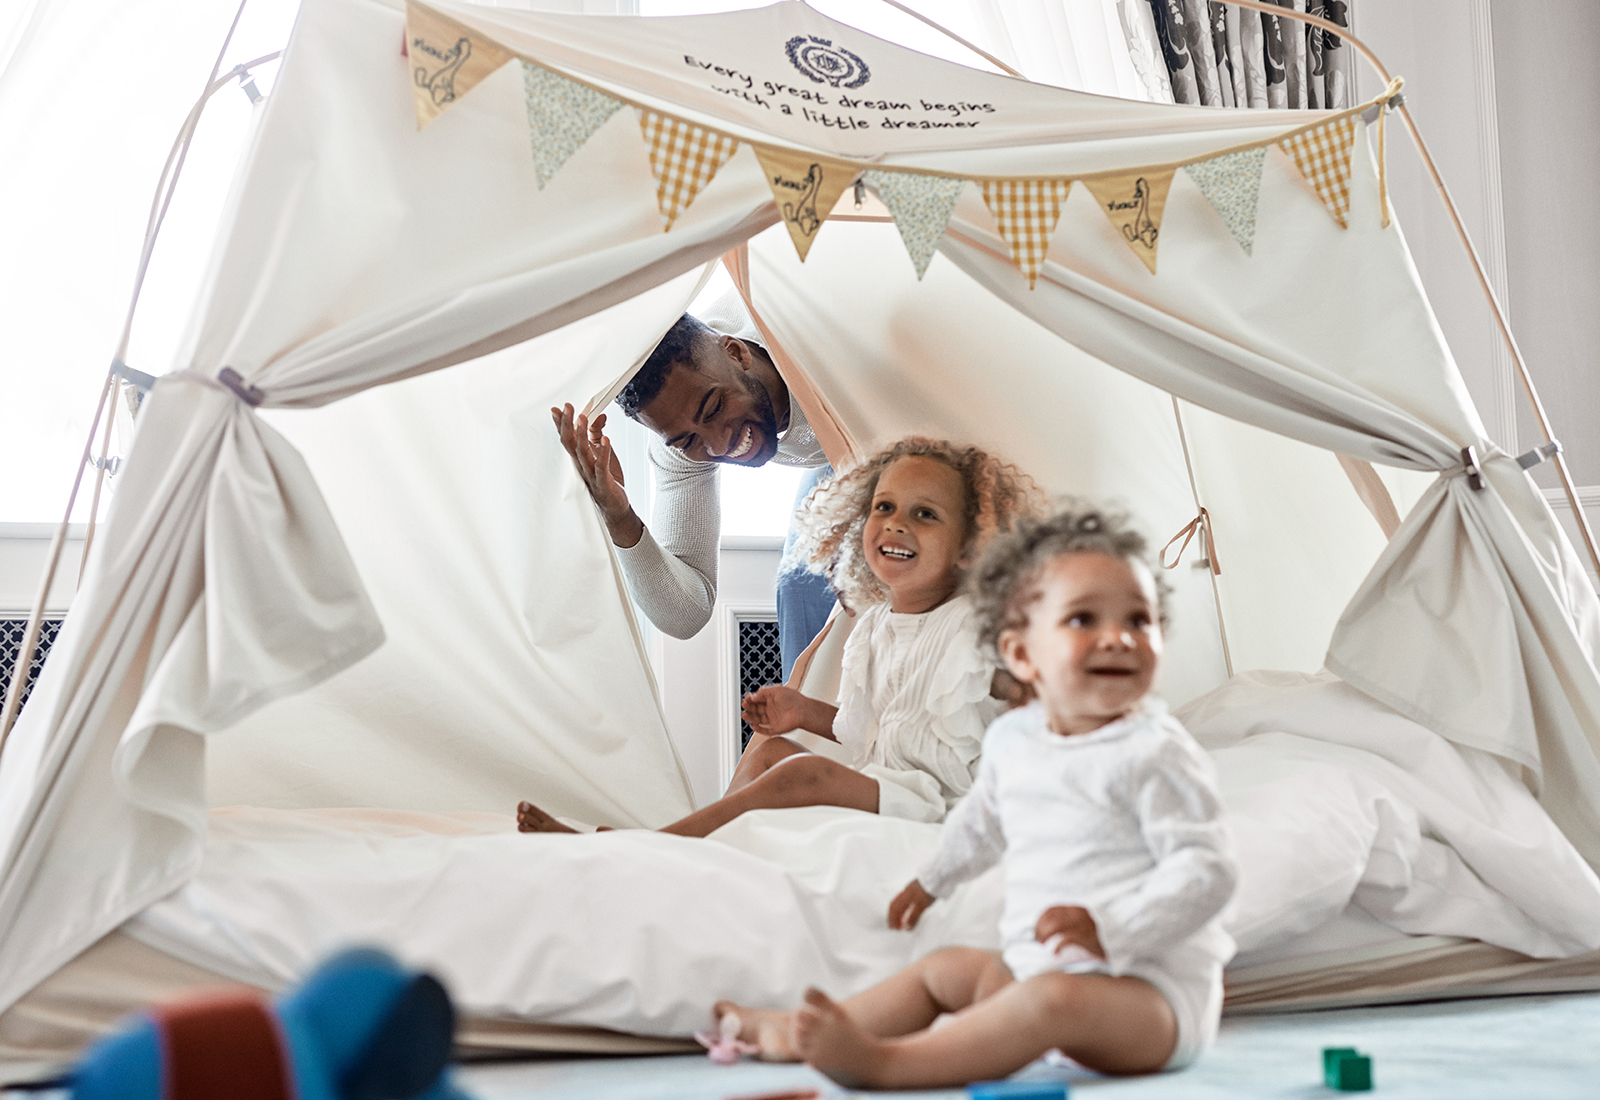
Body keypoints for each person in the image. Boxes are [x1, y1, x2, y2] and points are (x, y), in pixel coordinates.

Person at [713, 505, 1238, 1088]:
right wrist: (931, 879)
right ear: (1021, 654)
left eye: (1139, 620)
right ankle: (790, 1032)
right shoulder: (1016, 739)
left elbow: (1208, 872)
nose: (1117, 638)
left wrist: (1109, 929)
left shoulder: (1156, 753)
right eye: (1082, 619)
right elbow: (982, 821)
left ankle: (890, 1065)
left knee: (1051, 1000)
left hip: (1150, 999)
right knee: (944, 970)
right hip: (1039, 974)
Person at [516, 437, 1039, 836]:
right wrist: (803, 712)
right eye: (884, 507)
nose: (897, 524)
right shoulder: (874, 624)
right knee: (770, 755)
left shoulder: (971, 625)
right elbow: (864, 730)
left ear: (970, 546)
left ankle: (658, 845)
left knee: (800, 775)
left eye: (925, 514)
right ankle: (702, 846)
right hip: (888, 784)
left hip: (940, 802)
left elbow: (1018, 703)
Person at [552, 294, 832, 677]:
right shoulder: (679, 445)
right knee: (804, 582)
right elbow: (686, 613)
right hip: (841, 455)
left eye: (714, 408)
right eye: (687, 440)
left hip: (895, 407)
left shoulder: (806, 321)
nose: (718, 446)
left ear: (736, 353)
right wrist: (618, 516)